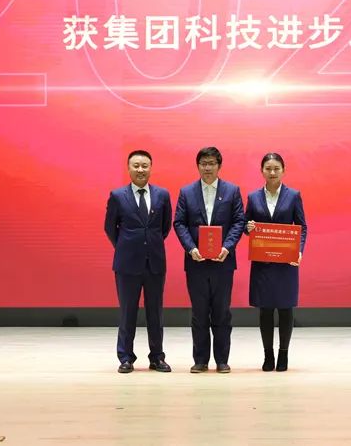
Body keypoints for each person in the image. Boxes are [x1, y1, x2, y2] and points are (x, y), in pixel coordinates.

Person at [173, 147, 246, 374]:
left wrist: (227, 246)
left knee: (222, 312)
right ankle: (200, 360)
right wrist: (190, 248)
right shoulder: (186, 192)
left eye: (212, 163)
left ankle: (222, 360)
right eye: (203, 163)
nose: (207, 167)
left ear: (219, 166)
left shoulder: (232, 191)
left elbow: (239, 221)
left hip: (223, 262)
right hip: (196, 262)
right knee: (199, 313)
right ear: (198, 166)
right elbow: (179, 223)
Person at [104, 150, 173, 374]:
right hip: (127, 264)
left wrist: (149, 244)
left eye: (145, 165)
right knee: (128, 312)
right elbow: (110, 228)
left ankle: (157, 357)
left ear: (151, 168)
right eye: (136, 165)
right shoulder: (117, 195)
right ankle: (126, 357)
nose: (140, 170)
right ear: (128, 168)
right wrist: (126, 246)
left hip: (155, 263)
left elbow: (164, 227)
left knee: (156, 312)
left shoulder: (162, 195)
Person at [245, 152, 307, 372]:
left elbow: (302, 226)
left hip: (286, 263)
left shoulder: (293, 195)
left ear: (283, 170)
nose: (272, 172)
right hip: (263, 264)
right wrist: (248, 227)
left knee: (285, 309)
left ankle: (283, 354)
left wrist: (299, 251)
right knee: (265, 310)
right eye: (268, 168)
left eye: (276, 168)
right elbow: (245, 225)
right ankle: (268, 355)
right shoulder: (253, 197)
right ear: (262, 171)